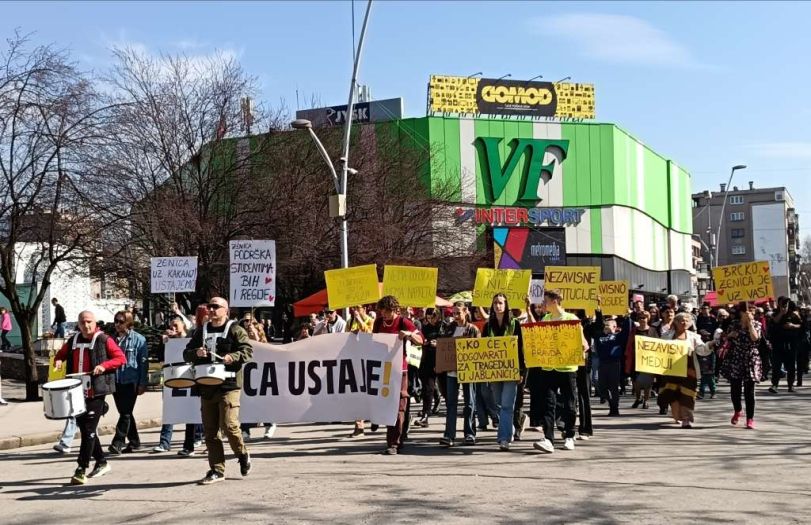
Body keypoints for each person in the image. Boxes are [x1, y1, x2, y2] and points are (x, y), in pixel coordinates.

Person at [183, 297, 253, 484]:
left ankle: (242, 454)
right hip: (206, 386)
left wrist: (233, 356)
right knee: (210, 431)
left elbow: (248, 351)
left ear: (226, 310)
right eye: (209, 306)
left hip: (228, 386)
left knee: (229, 426)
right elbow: (186, 352)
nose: (211, 310)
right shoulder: (201, 331)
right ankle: (217, 469)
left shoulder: (235, 329)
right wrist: (195, 353)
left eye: (216, 307)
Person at [53, 311, 126, 485]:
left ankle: (81, 468)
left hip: (96, 391)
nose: (86, 326)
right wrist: (58, 360)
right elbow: (61, 354)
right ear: (78, 324)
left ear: (95, 322)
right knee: (87, 430)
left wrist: (103, 366)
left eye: (89, 322)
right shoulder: (73, 340)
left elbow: (120, 358)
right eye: (83, 322)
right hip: (76, 391)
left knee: (88, 430)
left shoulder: (104, 339)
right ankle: (102, 462)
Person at [533, 289, 587, 454]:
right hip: (549, 367)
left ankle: (569, 435)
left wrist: (583, 347)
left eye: (546, 301)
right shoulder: (546, 319)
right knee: (548, 404)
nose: (544, 303)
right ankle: (548, 439)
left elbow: (582, 342)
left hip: (567, 368)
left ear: (555, 301)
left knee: (569, 404)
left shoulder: (572, 319)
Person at [372, 295, 423, 455]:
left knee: (399, 405)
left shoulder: (403, 322)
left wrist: (408, 334)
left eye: (386, 312)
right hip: (383, 368)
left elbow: (421, 339)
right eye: (381, 312)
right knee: (387, 403)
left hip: (400, 369)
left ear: (394, 310)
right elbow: (372, 340)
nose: (383, 315)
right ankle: (396, 434)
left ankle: (395, 442)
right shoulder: (378, 322)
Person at [154, 317, 204, 456]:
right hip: (174, 379)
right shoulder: (169, 342)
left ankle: (189, 444)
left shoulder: (192, 339)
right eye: (171, 325)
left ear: (184, 325)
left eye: (176, 325)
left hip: (190, 378)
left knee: (190, 411)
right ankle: (164, 443)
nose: (173, 328)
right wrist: (163, 343)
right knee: (170, 410)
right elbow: (161, 359)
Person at [482, 293, 524, 451]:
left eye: (500, 303)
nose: (497, 306)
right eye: (495, 303)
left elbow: (521, 349)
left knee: (507, 405)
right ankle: (510, 428)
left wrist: (521, 371)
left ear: (506, 305)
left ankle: (503, 438)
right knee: (499, 403)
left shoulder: (515, 324)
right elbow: (483, 350)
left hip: (511, 370)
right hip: (494, 371)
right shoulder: (488, 326)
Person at [438, 302, 480, 447]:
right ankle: (449, 435)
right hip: (451, 372)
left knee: (469, 403)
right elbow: (443, 345)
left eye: (458, 313)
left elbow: (479, 350)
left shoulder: (473, 330)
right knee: (451, 403)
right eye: (453, 313)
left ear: (466, 312)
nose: (455, 316)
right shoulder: (449, 329)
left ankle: (469, 433)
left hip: (468, 371)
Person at [108, 311, 149, 455]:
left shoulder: (139, 340)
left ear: (129, 323)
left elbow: (143, 363)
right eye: (116, 321)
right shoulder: (111, 339)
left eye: (121, 321)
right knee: (125, 412)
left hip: (131, 381)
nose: (117, 324)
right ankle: (135, 441)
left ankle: (118, 442)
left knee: (125, 412)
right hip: (116, 380)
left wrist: (142, 383)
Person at [657, 313, 706, 428]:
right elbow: (659, 351)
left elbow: (701, 350)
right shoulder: (666, 335)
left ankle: (686, 419)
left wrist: (710, 345)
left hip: (688, 372)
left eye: (686, 321)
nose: (684, 323)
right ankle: (677, 415)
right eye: (681, 321)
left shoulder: (694, 337)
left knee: (687, 396)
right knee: (672, 394)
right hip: (671, 371)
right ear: (676, 322)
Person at [720, 304, 762, 429]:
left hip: (750, 357)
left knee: (749, 391)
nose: (750, 314)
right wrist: (730, 335)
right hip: (736, 357)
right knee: (735, 389)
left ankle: (750, 418)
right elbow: (725, 337)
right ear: (741, 313)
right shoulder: (734, 324)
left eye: (752, 312)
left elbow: (755, 338)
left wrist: (749, 324)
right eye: (748, 311)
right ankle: (738, 410)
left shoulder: (756, 324)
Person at [240, 317, 277, 441]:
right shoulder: (240, 339)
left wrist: (254, 334)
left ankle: (269, 424)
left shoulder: (264, 343)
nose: (247, 323)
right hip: (246, 375)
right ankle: (245, 429)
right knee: (245, 402)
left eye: (250, 320)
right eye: (244, 321)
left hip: (262, 374)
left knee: (263, 400)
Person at [593, 307, 633, 417]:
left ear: (615, 327)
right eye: (604, 326)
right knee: (602, 387)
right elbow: (598, 323)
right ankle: (609, 401)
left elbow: (627, 330)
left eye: (608, 326)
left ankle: (614, 407)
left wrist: (627, 317)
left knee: (613, 387)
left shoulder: (618, 337)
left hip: (614, 364)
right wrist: (599, 311)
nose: (605, 327)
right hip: (602, 364)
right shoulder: (599, 336)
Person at [413, 308, 443, 429]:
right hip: (427, 362)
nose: (431, 320)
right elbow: (420, 340)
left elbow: (450, 342)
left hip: (442, 361)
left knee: (446, 390)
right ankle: (425, 415)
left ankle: (441, 404)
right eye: (428, 318)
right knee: (427, 389)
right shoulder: (425, 328)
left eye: (433, 317)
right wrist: (423, 342)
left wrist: (439, 344)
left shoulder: (444, 327)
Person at [769, 298, 802, 393]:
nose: (785, 306)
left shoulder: (794, 314)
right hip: (778, 344)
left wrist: (792, 326)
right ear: (778, 304)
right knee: (776, 366)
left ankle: (790, 385)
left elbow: (801, 325)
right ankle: (775, 385)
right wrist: (781, 313)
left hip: (790, 344)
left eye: (786, 304)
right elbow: (775, 321)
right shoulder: (775, 314)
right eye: (782, 304)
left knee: (791, 366)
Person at [627, 311, 657, 409]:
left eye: (644, 317)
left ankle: (646, 400)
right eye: (640, 317)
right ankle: (638, 398)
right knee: (636, 381)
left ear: (648, 319)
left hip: (649, 359)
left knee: (648, 382)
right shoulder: (634, 330)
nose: (642, 319)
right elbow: (629, 344)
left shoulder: (653, 331)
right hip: (636, 359)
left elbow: (658, 344)